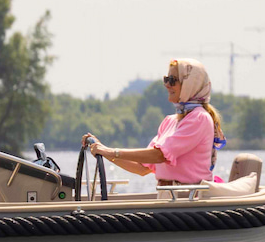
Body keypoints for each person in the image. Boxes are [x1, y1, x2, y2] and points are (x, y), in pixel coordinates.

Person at [82, 59, 225, 184]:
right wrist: (104, 151)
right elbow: (142, 168)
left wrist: (111, 152)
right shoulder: (169, 122)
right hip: (171, 197)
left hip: (188, 199)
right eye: (166, 79)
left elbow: (159, 155)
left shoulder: (199, 118)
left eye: (172, 80)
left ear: (190, 84)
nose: (167, 85)